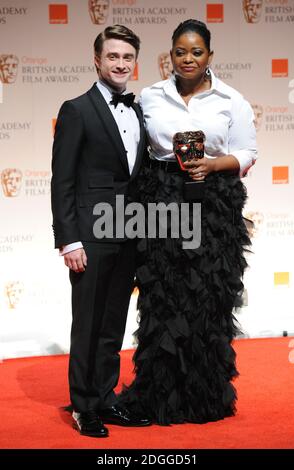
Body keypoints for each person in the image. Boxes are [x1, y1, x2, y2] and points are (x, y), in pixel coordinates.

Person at [119, 19, 257, 425]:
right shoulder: (150, 96)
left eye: (197, 51)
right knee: (162, 297)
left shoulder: (232, 100)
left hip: (213, 204)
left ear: (209, 56)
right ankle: (158, 395)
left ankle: (205, 398)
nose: (188, 58)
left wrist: (215, 164)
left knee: (208, 300)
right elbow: (137, 149)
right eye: (181, 51)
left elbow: (247, 152)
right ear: (171, 55)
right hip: (162, 199)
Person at [51, 24, 151, 438]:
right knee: (88, 323)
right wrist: (68, 239)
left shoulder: (139, 109)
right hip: (89, 235)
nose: (120, 64)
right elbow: (63, 180)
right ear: (97, 60)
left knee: (113, 322)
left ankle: (106, 398)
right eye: (113, 56)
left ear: (135, 62)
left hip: (128, 233)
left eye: (127, 57)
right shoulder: (76, 109)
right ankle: (83, 406)